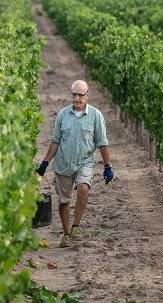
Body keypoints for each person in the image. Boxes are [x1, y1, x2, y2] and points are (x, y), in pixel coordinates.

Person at [37, 80, 113, 248]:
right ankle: (66, 235)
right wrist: (44, 163)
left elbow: (102, 142)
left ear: (87, 95)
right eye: (74, 95)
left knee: (84, 188)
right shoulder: (62, 115)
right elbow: (55, 142)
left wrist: (108, 166)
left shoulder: (95, 116)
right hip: (63, 163)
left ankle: (76, 226)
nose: (77, 98)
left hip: (84, 162)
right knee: (64, 201)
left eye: (80, 95)